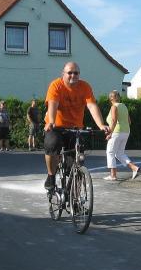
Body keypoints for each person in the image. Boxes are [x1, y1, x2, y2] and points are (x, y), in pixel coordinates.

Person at [43, 61, 110, 190]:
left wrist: (101, 125)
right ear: (63, 73)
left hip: (75, 128)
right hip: (56, 126)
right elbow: (53, 104)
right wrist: (51, 121)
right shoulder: (56, 85)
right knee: (52, 145)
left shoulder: (85, 87)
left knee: (77, 163)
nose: (73, 75)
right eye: (70, 73)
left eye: (76, 73)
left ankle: (75, 195)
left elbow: (92, 106)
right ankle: (51, 175)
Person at [104, 90, 140, 181]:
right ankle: (134, 168)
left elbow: (114, 120)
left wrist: (110, 133)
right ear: (119, 97)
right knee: (119, 153)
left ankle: (113, 175)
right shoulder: (124, 106)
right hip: (126, 131)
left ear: (111, 98)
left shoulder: (114, 107)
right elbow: (129, 121)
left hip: (117, 132)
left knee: (110, 152)